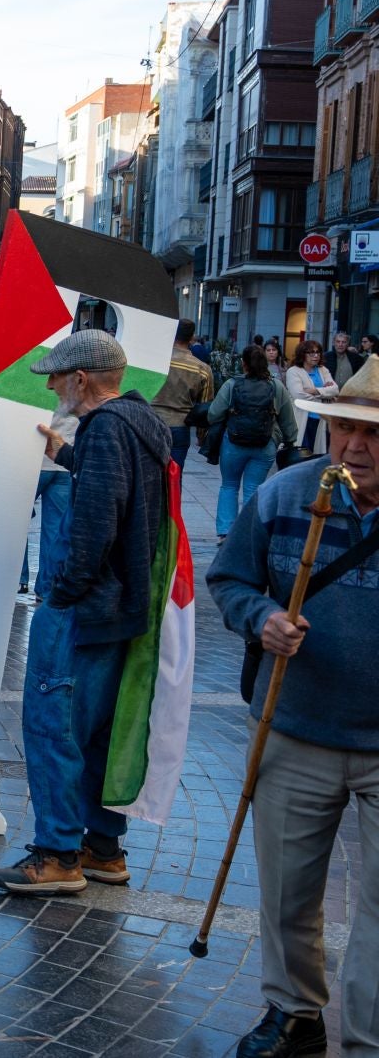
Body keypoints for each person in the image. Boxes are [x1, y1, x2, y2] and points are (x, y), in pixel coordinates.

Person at [206, 358, 379, 1058]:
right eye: (342, 429)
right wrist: (263, 619)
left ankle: (369, 1039)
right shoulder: (285, 494)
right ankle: (294, 1012)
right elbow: (231, 579)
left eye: (373, 434)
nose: (354, 447)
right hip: (295, 723)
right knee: (287, 887)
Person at [0, 329, 169, 896]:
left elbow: (95, 523)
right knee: (97, 733)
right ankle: (102, 849)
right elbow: (113, 485)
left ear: (81, 379)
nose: (51, 388)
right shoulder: (141, 422)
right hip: (121, 607)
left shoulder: (105, 428)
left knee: (53, 728)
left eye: (57, 378)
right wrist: (62, 452)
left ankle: (58, 855)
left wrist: (62, 592)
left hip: (85, 607)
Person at [209, 346, 299, 540]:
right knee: (253, 488)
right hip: (265, 445)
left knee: (229, 486)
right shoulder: (276, 386)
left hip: (233, 443)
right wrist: (290, 440)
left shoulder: (232, 384)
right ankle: (248, 534)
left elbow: (214, 414)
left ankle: (225, 532)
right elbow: (288, 419)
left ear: (244, 364)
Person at [19, 406, 78, 599]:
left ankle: (19, 579)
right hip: (64, 461)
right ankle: (46, 588)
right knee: (54, 530)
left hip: (31, 460)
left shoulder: (35, 387)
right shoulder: (81, 388)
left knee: (15, 522)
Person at [150, 318, 214, 470]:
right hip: (180, 426)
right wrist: (201, 436)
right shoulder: (202, 369)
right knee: (175, 475)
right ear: (191, 338)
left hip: (152, 422)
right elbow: (205, 408)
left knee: (148, 473)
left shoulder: (155, 362)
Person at [286, 340, 339, 455]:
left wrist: (314, 391)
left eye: (318, 352)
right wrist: (325, 395)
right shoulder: (293, 371)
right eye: (311, 353)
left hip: (322, 419)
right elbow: (298, 396)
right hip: (303, 419)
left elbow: (335, 389)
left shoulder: (323, 370)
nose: (315, 355)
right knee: (303, 454)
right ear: (302, 354)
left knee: (318, 454)